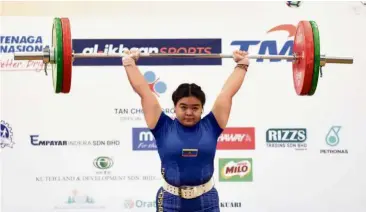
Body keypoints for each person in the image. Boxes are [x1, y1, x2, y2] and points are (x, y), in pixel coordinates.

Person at [122, 49, 249, 212]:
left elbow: (227, 93)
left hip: (207, 200)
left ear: (202, 109)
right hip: (169, 201)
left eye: (195, 108)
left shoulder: (212, 124)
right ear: (174, 107)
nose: (189, 112)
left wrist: (242, 64)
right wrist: (129, 63)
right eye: (183, 107)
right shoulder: (161, 126)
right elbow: (145, 93)